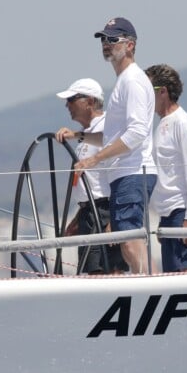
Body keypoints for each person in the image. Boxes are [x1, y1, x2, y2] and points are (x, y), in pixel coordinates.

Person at [56, 17, 157, 274]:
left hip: (133, 171)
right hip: (123, 174)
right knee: (125, 240)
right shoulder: (123, 82)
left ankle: (145, 287)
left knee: (129, 240)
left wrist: (95, 159)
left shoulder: (132, 81)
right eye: (103, 39)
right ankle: (142, 282)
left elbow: (136, 133)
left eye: (113, 39)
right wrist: (78, 136)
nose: (106, 44)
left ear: (130, 45)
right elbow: (112, 135)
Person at [55, 78, 128, 274]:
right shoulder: (86, 135)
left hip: (105, 212)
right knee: (92, 271)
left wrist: (115, 220)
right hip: (89, 214)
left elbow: (119, 173)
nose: (67, 105)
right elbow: (90, 185)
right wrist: (78, 219)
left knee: (108, 271)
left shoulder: (108, 128)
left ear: (89, 101)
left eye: (72, 99)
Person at [144, 64, 187, 272]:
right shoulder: (161, 124)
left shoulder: (183, 123)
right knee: (172, 280)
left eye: (148, 90)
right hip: (169, 213)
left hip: (184, 211)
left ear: (163, 91)